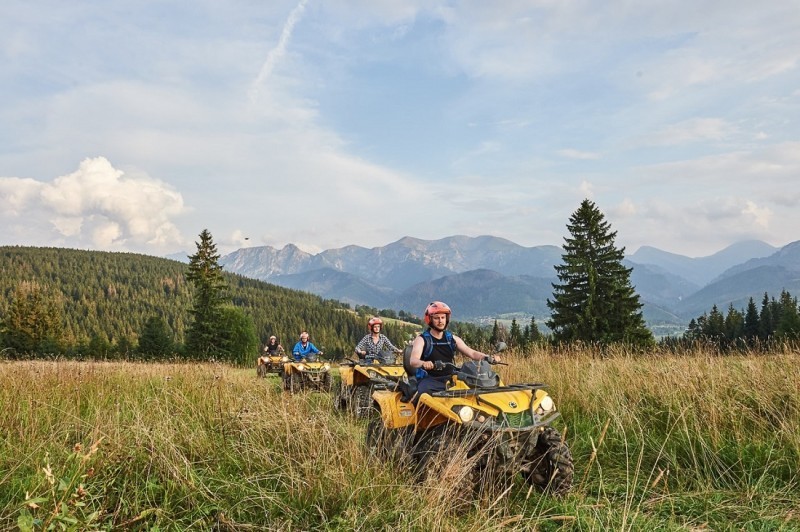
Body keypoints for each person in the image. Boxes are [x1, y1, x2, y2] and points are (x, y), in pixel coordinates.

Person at [407, 301, 501, 397]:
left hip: (451, 378)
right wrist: (424, 363)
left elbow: (471, 353)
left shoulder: (451, 338)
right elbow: (413, 360)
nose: (440, 321)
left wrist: (488, 358)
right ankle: (420, 412)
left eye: (443, 317)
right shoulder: (422, 339)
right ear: (430, 319)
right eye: (436, 318)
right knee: (424, 394)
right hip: (430, 379)